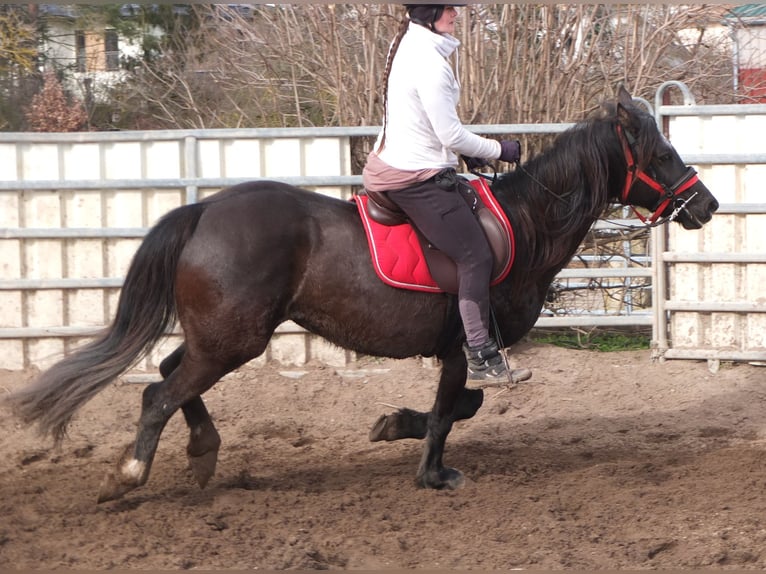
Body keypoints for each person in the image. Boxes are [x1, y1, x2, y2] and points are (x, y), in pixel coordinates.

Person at [362, 3, 531, 388]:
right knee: (475, 255)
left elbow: (421, 121)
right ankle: (480, 356)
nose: (456, 13)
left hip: (404, 160)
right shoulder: (431, 63)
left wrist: (462, 154)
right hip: (412, 176)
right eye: (449, 8)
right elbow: (450, 134)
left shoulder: (404, 42)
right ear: (430, 13)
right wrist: (497, 150)